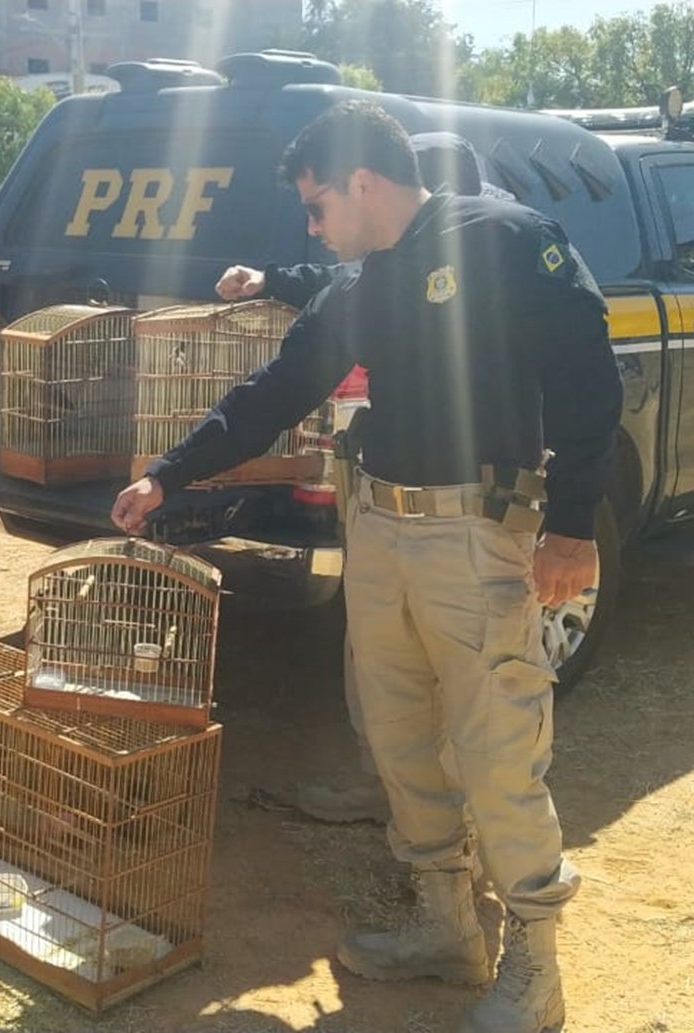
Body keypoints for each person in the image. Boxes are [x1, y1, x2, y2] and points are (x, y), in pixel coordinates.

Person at [113, 100, 622, 1033]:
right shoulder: (361, 284)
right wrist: (166, 474)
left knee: (497, 743)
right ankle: (447, 925)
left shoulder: (506, 238)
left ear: (363, 182)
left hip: (476, 536)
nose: (311, 227)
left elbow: (590, 376)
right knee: (395, 732)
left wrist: (575, 527)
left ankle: (535, 964)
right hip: (380, 530)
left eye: (315, 208)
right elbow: (274, 389)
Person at [216, 131, 497, 826]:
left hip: (466, 512)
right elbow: (344, 283)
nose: (321, 227)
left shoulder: (490, 264)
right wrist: (270, 279)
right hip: (380, 499)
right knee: (378, 658)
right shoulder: (388, 262)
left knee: (464, 678)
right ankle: (391, 787)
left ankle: (455, 823)